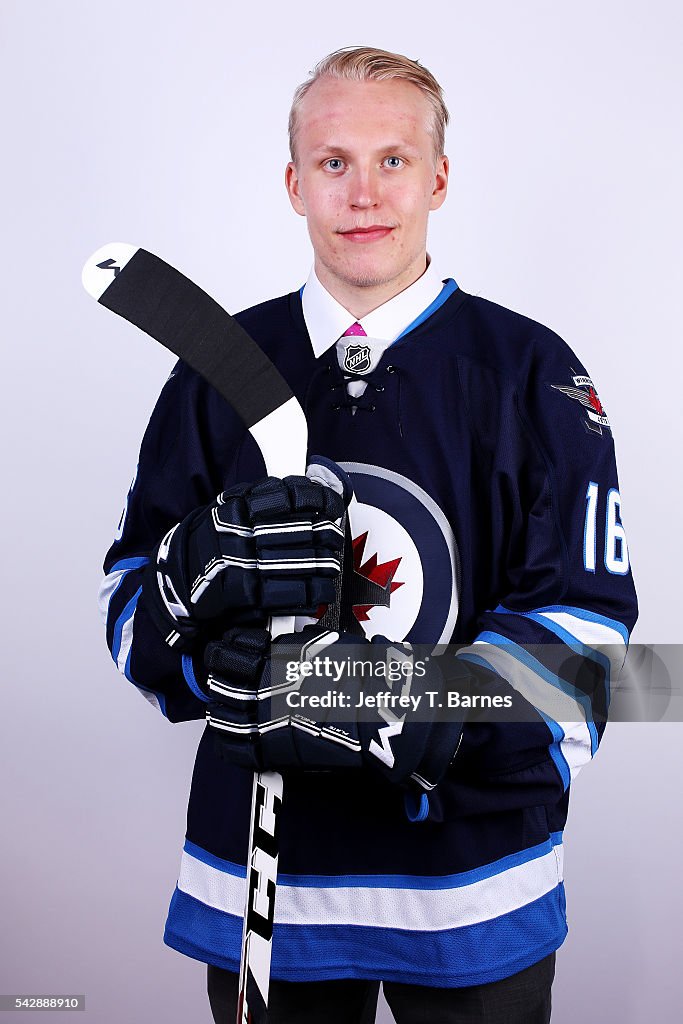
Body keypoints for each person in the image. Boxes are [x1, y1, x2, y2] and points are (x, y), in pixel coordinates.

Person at [98, 46, 638, 1024]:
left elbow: (594, 638)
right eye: (333, 160)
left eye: (392, 159)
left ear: (436, 177)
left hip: (470, 883)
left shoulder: (531, 370)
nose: (363, 191)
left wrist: (425, 699)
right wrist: (184, 591)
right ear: (293, 182)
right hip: (264, 884)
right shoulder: (217, 367)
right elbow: (129, 607)